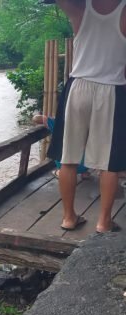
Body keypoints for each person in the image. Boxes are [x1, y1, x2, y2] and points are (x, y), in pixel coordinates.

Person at [46, 0, 126, 233]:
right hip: (112, 89)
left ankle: (69, 218)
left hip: (78, 87)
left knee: (68, 157)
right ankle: (104, 222)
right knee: (109, 163)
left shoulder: (80, 9)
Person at [33, 115, 91, 179]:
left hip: (65, 156)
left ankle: (60, 172)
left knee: (60, 156)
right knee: (83, 154)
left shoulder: (56, 124)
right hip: (83, 156)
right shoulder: (84, 121)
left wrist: (46, 118)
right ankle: (84, 172)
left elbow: (39, 119)